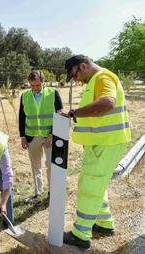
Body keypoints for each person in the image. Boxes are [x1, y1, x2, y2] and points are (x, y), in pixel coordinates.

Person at [62, 55, 131, 249]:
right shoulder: (96, 80)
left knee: (89, 186)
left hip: (106, 143)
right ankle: (104, 223)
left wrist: (75, 112)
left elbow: (108, 103)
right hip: (103, 143)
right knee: (96, 183)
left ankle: (81, 234)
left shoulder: (102, 78)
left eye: (74, 75)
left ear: (83, 66)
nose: (75, 79)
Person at [19, 70, 63, 201]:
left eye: (37, 85)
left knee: (50, 164)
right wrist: (22, 136)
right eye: (32, 85)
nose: (35, 88)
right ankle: (38, 191)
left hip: (49, 136)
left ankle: (52, 191)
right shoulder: (25, 96)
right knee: (35, 165)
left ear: (43, 82)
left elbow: (60, 115)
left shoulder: (53, 93)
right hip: (31, 136)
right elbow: (22, 117)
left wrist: (52, 134)